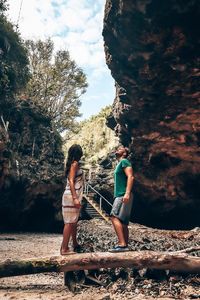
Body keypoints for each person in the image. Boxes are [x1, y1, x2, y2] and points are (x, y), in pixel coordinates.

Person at [60, 144, 84, 255]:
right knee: (69, 223)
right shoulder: (75, 164)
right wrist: (75, 198)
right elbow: (71, 180)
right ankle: (64, 249)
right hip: (71, 195)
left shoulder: (71, 164)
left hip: (70, 195)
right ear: (78, 153)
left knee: (72, 222)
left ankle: (74, 244)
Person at [110, 145, 134, 252]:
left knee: (114, 217)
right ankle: (125, 245)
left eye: (120, 149)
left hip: (122, 194)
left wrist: (127, 193)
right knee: (123, 222)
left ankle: (122, 244)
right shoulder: (120, 163)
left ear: (124, 153)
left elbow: (130, 176)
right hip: (123, 194)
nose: (117, 149)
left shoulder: (124, 161)